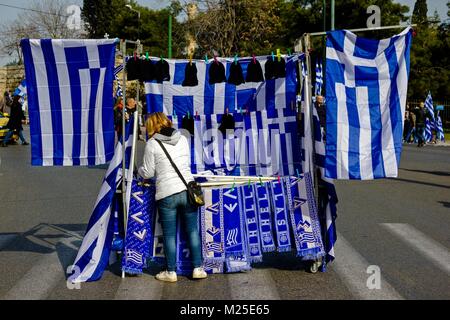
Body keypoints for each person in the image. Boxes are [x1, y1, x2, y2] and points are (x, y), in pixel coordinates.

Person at [138, 112, 206, 282]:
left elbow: (148, 172)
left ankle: (171, 272)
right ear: (167, 122)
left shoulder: (152, 144)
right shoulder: (182, 138)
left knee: (169, 235)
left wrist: (139, 170)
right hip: (187, 189)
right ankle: (197, 268)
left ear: (153, 125)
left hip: (167, 192)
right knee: (192, 230)